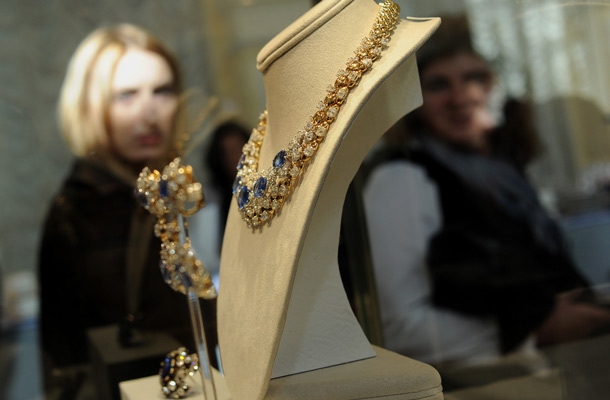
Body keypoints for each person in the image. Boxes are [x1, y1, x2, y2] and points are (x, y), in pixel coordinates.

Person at [363, 16, 610, 369]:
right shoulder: (402, 179)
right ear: (414, 105)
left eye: (475, 78)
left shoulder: (502, 170)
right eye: (437, 85)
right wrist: (535, 332)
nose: (461, 96)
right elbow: (399, 330)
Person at [37, 24, 198, 396]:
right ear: (90, 107)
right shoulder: (82, 212)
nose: (149, 114)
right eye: (125, 96)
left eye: (162, 91)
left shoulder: (157, 194)